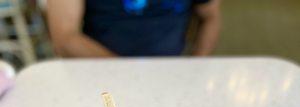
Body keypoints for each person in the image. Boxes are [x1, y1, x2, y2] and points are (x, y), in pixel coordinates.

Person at [47, 0, 221, 58]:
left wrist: (197, 65)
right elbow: (64, 39)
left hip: (172, 72)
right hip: (99, 74)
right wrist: (129, 73)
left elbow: (211, 17)